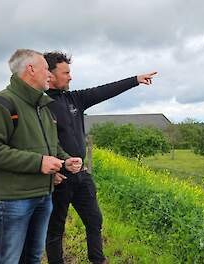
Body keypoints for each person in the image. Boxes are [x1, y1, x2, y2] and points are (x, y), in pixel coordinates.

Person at [43, 51, 156, 264]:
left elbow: (103, 91)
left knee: (94, 220)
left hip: (81, 175)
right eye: (66, 72)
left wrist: (135, 80)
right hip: (58, 178)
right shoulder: (40, 105)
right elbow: (33, 140)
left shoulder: (74, 98)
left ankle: (98, 260)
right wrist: (52, 172)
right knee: (55, 229)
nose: (70, 77)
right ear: (50, 74)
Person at [0, 49, 83, 263]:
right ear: (30, 69)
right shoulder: (0, 104)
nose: (50, 75)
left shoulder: (42, 105)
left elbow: (49, 145)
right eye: (45, 69)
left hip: (44, 195)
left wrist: (64, 160)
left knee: (32, 257)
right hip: (14, 199)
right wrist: (38, 163)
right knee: (8, 258)